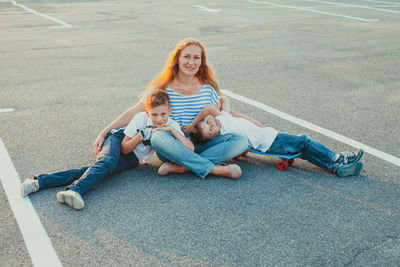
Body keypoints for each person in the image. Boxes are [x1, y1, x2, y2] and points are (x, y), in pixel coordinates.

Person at [92, 37, 250, 179]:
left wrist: (253, 121)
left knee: (241, 140)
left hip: (198, 143)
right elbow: (135, 110)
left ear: (201, 62)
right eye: (186, 57)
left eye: (196, 58)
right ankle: (213, 169)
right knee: (156, 136)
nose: (191, 62)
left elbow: (224, 114)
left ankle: (182, 167)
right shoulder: (162, 86)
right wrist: (104, 131)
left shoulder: (208, 88)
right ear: (177, 59)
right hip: (170, 145)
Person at [20, 91, 193, 210]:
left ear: (169, 111)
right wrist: (142, 135)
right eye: (154, 115)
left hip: (134, 159)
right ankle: (74, 190)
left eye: (163, 114)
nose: (159, 119)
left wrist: (171, 131)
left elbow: (190, 148)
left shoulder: (171, 124)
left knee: (94, 171)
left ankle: (38, 182)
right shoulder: (141, 118)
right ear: (148, 113)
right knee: (107, 163)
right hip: (117, 140)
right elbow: (124, 148)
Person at [182, 96, 364, 178]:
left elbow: (225, 101)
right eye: (210, 130)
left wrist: (250, 118)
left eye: (208, 123)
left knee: (303, 150)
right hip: (270, 142)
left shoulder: (223, 118)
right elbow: (207, 108)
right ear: (214, 137)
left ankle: (334, 167)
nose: (212, 125)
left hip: (270, 137)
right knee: (304, 141)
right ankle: (339, 158)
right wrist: (192, 125)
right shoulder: (225, 131)